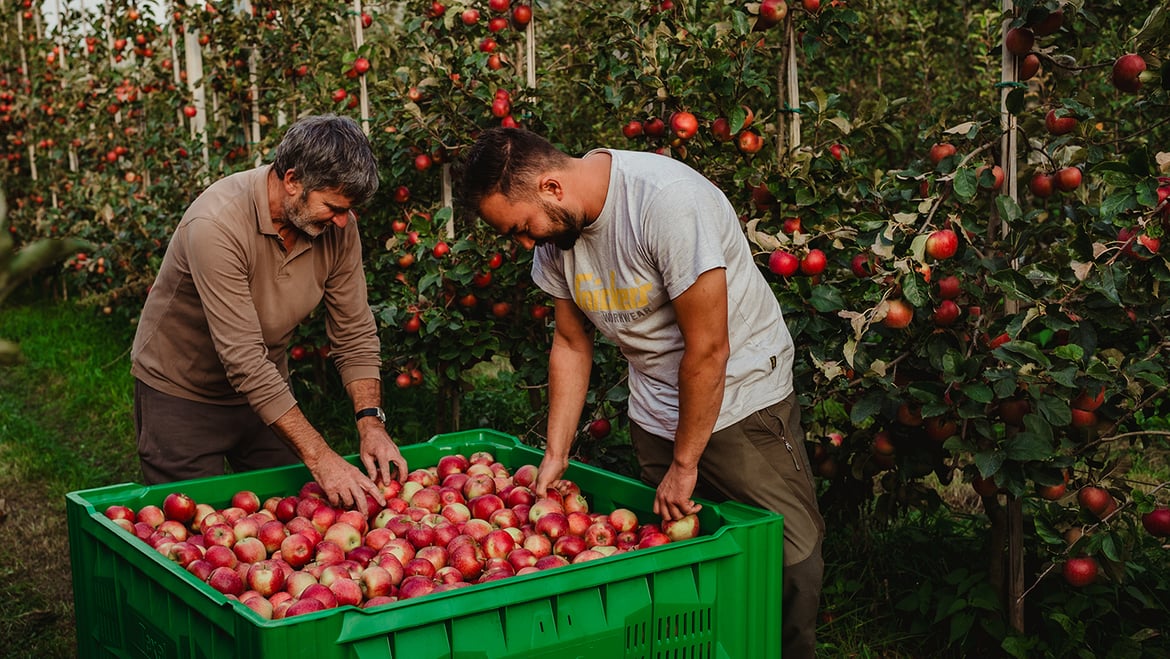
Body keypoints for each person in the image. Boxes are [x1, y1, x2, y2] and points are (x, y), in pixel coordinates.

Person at [457, 127, 825, 658]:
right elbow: (569, 342)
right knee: (680, 555)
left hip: (740, 395)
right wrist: (556, 454)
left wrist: (685, 461)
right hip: (656, 403)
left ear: (551, 188)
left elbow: (709, 350)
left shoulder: (666, 204)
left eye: (521, 227)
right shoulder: (557, 238)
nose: (524, 243)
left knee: (791, 555)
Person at [131, 114, 406, 515]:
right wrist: (322, 456)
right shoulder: (216, 224)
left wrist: (371, 423)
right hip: (183, 395)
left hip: (267, 392)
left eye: (348, 209)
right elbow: (242, 360)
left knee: (291, 517)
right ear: (292, 181)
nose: (344, 221)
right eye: (333, 206)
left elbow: (354, 332)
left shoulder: (338, 227)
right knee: (197, 536)